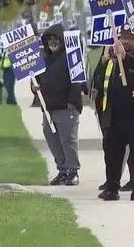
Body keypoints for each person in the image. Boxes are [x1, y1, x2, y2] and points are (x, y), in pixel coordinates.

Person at [98, 24, 134, 201]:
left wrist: (125, 57)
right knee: (112, 154)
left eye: (130, 38)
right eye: (122, 38)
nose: (125, 41)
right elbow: (102, 82)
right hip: (114, 114)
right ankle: (112, 187)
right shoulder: (111, 58)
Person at [31, 23, 83, 186]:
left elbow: (77, 82)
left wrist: (72, 102)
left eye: (56, 39)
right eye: (49, 39)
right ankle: (62, 170)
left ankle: (73, 171)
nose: (52, 42)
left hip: (66, 107)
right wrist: (34, 89)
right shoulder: (43, 60)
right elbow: (36, 81)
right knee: (52, 138)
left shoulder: (71, 58)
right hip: (49, 108)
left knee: (68, 139)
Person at [91, 47, 134, 193]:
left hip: (131, 113)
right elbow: (99, 79)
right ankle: (111, 183)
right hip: (109, 112)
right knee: (111, 150)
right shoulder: (108, 58)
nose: (124, 42)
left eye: (129, 38)